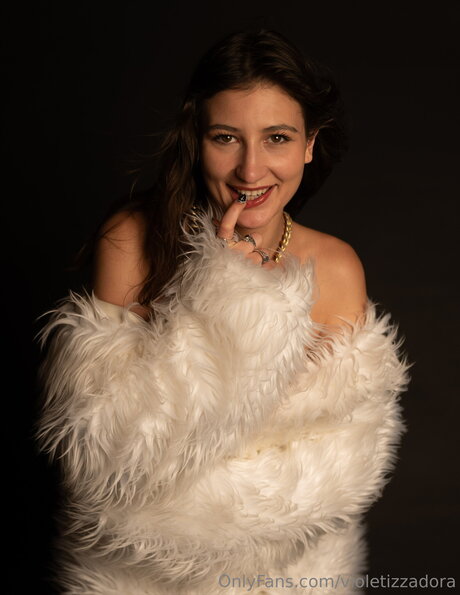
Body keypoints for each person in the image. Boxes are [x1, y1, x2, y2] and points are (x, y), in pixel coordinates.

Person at [37, 30, 409, 595]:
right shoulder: (134, 241)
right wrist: (225, 296)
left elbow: (341, 473)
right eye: (226, 138)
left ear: (310, 145)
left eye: (277, 138)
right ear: (197, 140)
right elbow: (109, 463)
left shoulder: (335, 269)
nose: (250, 170)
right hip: (142, 581)